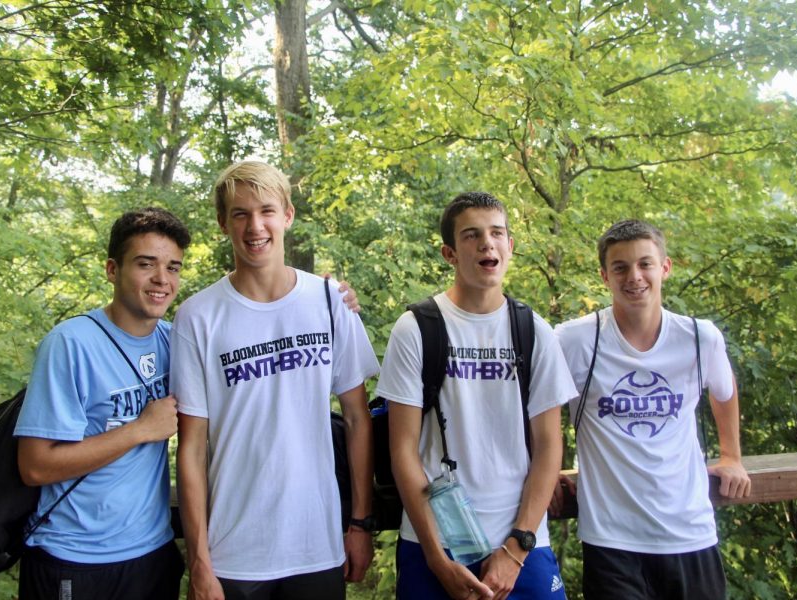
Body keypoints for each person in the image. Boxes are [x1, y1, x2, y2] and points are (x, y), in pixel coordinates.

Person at [173, 160, 379, 600]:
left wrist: (361, 523)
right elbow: (190, 448)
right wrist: (200, 561)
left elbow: (359, 420)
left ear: (287, 215)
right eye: (240, 214)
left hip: (317, 546)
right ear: (223, 223)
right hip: (233, 554)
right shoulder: (198, 316)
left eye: (266, 210)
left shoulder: (330, 302)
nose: (255, 226)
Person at [378, 192, 577, 600]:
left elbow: (548, 446)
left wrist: (516, 547)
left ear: (510, 246)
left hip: (522, 545)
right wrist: (436, 558)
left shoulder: (533, 330)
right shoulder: (416, 328)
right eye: (472, 235)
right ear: (449, 253)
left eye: (496, 233)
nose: (487, 243)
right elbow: (403, 451)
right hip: (433, 544)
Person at [552, 219, 751, 600]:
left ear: (665, 267)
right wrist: (541, 473)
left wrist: (732, 455)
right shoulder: (576, 341)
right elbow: (538, 408)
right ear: (604, 276)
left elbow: (724, 391)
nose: (635, 277)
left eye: (645, 264)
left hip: (690, 530)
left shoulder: (698, 337)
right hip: (612, 538)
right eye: (620, 267)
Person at [14, 207, 191, 600]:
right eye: (146, 264)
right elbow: (35, 465)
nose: (162, 279)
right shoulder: (70, 344)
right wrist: (139, 431)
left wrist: (326, 298)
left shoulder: (173, 341)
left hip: (153, 554)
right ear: (112, 269)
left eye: (173, 267)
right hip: (74, 557)